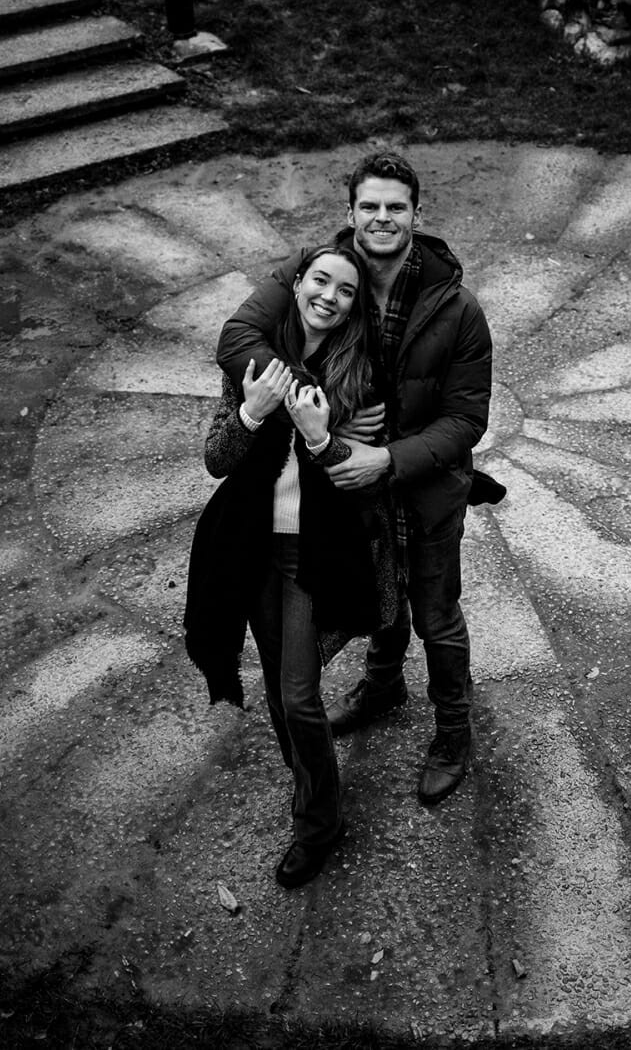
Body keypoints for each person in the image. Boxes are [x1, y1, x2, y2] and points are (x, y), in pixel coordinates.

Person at [217, 151, 492, 806]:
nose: (381, 218)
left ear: (416, 215)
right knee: (376, 595)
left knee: (436, 613)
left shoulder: (457, 309)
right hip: (343, 482)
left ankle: (453, 732)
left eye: (395, 206)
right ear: (350, 212)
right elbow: (238, 336)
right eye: (369, 205)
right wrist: (307, 402)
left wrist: (388, 460)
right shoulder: (320, 269)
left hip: (424, 489)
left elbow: (466, 420)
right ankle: (383, 682)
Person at [183, 246, 399, 889]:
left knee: (300, 697)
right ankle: (313, 793)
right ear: (298, 284)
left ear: (355, 306)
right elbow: (217, 461)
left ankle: (318, 823)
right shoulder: (256, 362)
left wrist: (316, 434)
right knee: (281, 691)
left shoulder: (360, 374)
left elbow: (361, 481)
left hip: (314, 552)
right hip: (252, 547)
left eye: (345, 290)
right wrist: (251, 411)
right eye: (320, 281)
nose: (329, 297)